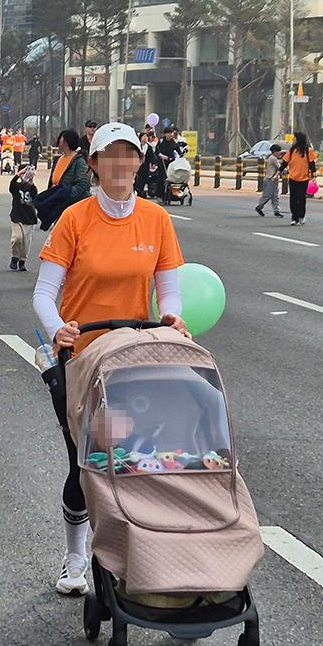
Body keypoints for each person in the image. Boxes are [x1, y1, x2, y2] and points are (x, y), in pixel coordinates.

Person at [33, 122, 188, 596]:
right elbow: (44, 293)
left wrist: (173, 317)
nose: (120, 165)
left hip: (133, 358)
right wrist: (56, 326)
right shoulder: (75, 219)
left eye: (129, 155)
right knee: (83, 462)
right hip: (80, 358)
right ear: (95, 164)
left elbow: (170, 290)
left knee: (136, 459)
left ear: (140, 163)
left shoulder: (156, 220)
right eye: (110, 156)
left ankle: (136, 552)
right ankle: (76, 557)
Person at [282, 132, 316, 226]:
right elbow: (284, 162)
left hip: (304, 178)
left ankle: (301, 216)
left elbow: (312, 163)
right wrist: (278, 172)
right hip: (293, 177)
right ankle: (294, 218)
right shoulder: (292, 150)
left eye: (295, 138)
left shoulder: (308, 151)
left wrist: (314, 173)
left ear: (298, 140)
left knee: (301, 198)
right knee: (293, 198)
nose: (293, 140)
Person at [9, 165, 38, 271]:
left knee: (26, 242)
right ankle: (14, 257)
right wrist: (18, 175)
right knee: (17, 238)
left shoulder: (32, 187)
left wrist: (31, 181)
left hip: (29, 218)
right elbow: (11, 186)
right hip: (17, 216)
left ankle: (22, 261)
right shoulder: (16, 186)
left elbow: (35, 197)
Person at [256, 143, 284, 217]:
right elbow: (280, 167)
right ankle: (259, 206)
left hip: (274, 180)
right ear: (274, 151)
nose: (279, 153)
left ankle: (276, 210)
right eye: (278, 152)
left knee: (275, 195)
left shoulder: (272, 158)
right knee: (267, 195)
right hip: (270, 179)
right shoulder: (273, 158)